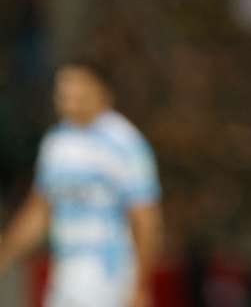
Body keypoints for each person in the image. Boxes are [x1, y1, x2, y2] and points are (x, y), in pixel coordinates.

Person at [0, 60, 163, 307]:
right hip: (65, 273)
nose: (69, 95)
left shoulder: (124, 143)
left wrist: (140, 285)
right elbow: (40, 211)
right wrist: (6, 251)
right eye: (63, 88)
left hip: (109, 274)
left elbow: (146, 219)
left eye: (77, 86)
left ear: (101, 90)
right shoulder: (56, 144)